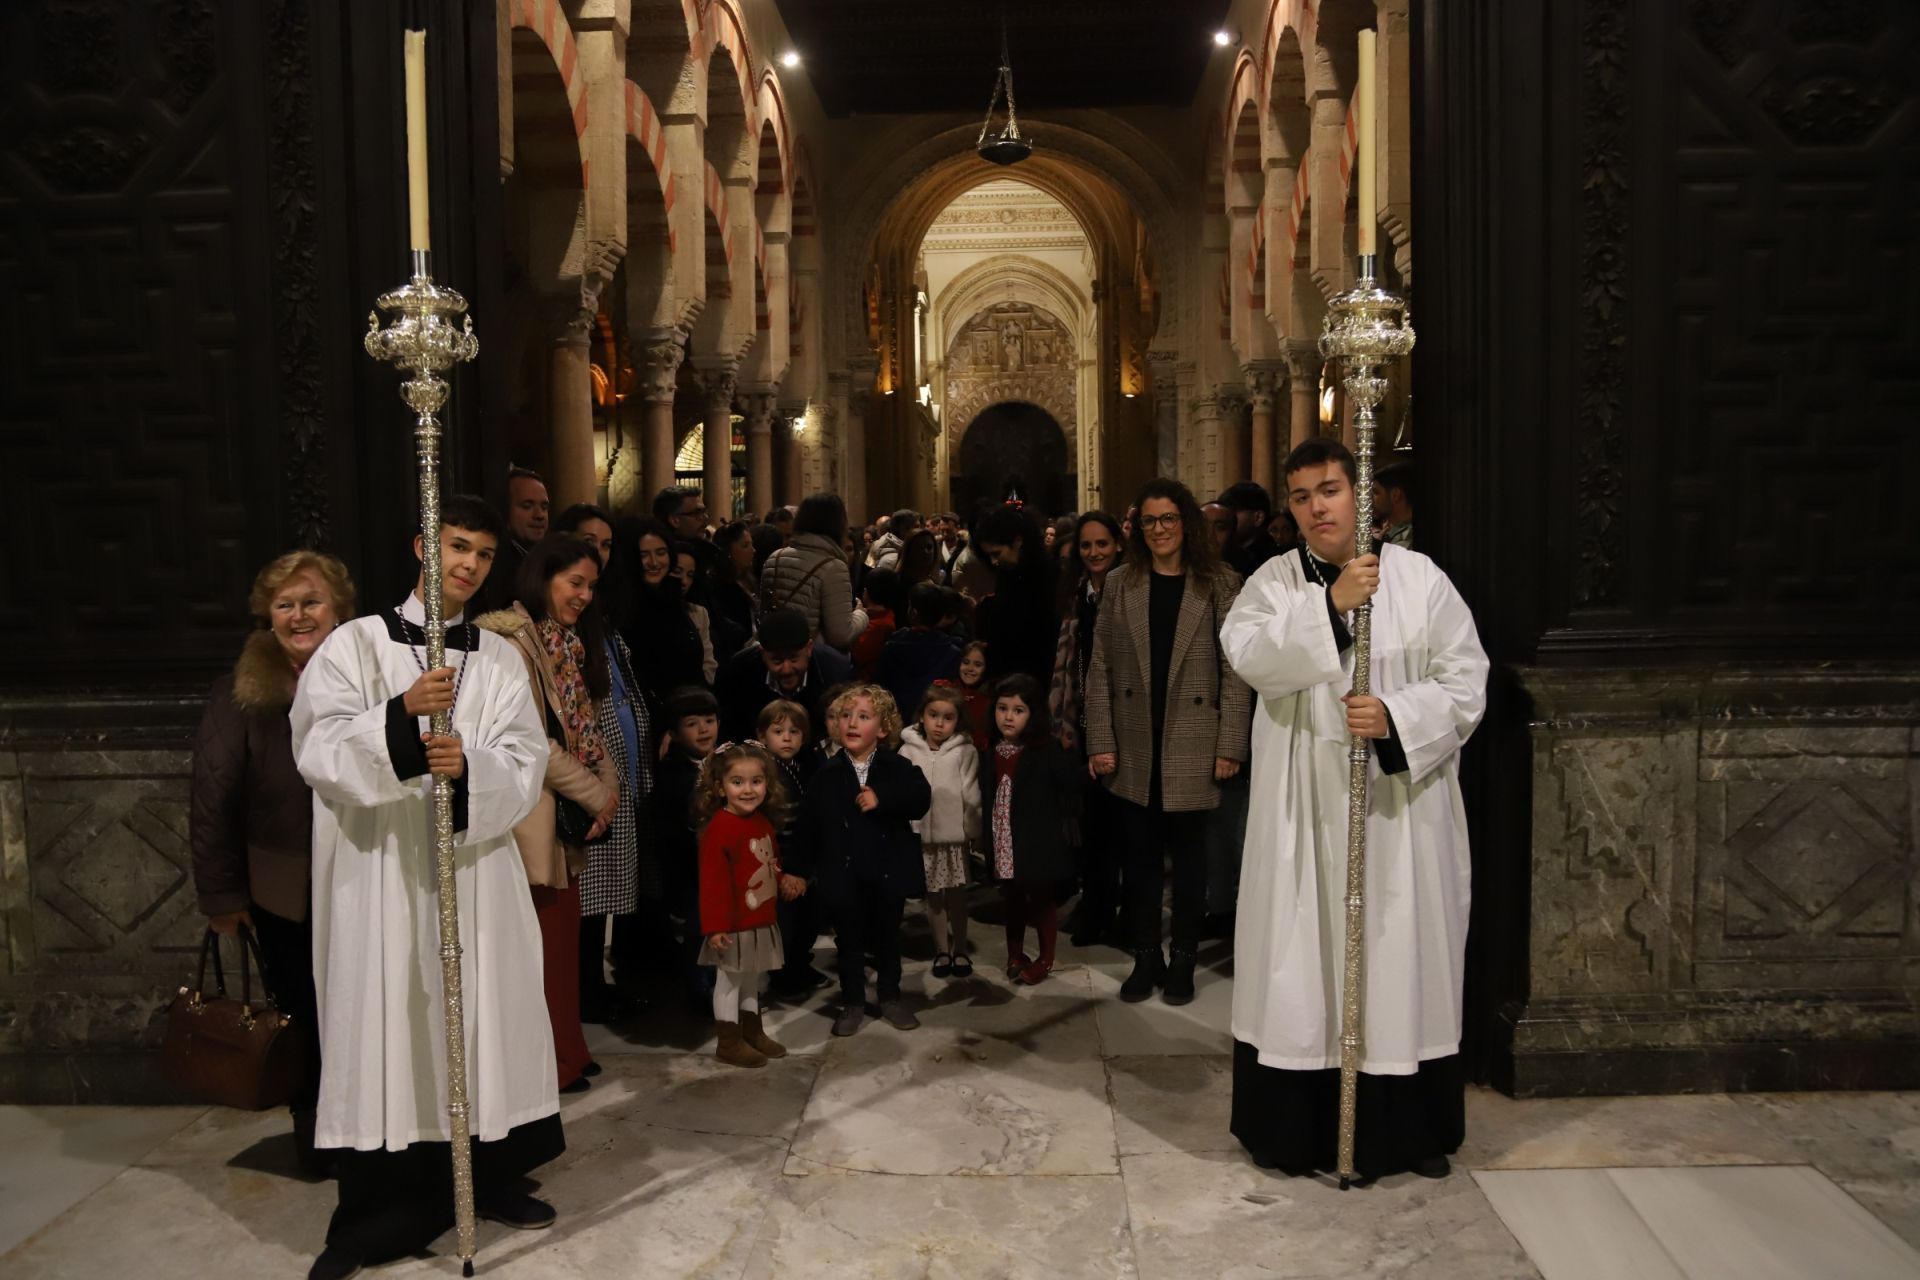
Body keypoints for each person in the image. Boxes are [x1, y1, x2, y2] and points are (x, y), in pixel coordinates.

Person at [291, 496, 557, 1279]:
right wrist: (402, 719)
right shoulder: (355, 645)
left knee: (484, 1023)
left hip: (475, 874)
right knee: (394, 1023)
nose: (469, 564)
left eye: (481, 553)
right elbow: (319, 747)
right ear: (422, 547)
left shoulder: (501, 657)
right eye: (456, 547)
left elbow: (526, 757)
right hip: (383, 878)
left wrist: (470, 766)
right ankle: (382, 1209)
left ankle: (491, 1175)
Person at [1221, 436, 1486, 1181]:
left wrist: (1399, 716)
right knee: (1303, 965)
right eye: (1301, 496)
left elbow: (1467, 680)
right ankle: (1295, 1133)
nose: (1315, 508)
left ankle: (1407, 1133)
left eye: (1329, 490)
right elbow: (1247, 653)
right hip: (1302, 819)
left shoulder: (1420, 580)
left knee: (1398, 958)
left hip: (1398, 817)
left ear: (1359, 495)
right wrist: (1330, 609)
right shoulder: (1273, 582)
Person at [192, 549, 355, 1176]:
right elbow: (211, 797)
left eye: (311, 601)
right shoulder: (240, 692)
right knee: (309, 1018)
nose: (298, 615)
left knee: (364, 1011)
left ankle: (375, 1136)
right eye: (284, 604)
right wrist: (223, 898)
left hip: (368, 874)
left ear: (340, 609)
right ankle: (317, 1138)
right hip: (288, 889)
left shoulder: (372, 679)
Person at [1085, 478, 1253, 1007]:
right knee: (1137, 859)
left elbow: (1236, 672)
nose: (1159, 530)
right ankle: (1144, 956)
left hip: (1194, 740)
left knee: (1189, 862)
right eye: (1150, 520)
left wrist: (1230, 744)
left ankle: (1182, 958)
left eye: (1169, 519)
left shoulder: (1221, 583)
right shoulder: (1120, 583)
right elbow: (1099, 669)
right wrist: (1100, 740)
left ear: (1186, 524)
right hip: (1135, 741)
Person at [477, 537, 620, 1096]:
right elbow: (531, 739)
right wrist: (594, 793)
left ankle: (567, 1053)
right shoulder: (510, 642)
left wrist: (606, 787)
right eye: (574, 583)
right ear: (543, 578)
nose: (584, 596)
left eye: (591, 586)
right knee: (540, 945)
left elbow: (582, 727)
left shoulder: (562, 642)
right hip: (530, 812)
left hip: (566, 812)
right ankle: (547, 1065)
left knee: (561, 943)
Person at [787, 685, 931, 1037]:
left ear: (882, 729)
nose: (852, 723)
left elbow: (920, 797)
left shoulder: (898, 768)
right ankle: (852, 1000)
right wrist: (798, 870)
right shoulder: (827, 774)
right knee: (849, 941)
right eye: (846, 716)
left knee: (887, 939)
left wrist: (883, 797)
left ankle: (890, 996)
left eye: (864, 717)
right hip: (844, 874)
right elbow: (808, 826)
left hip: (885, 872)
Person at [1048, 511, 1125, 948]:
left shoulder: (1129, 589)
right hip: (1080, 718)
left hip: (1122, 720)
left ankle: (1118, 908)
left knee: (1121, 826)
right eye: (1086, 546)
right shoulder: (1077, 593)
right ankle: (1095, 904)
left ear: (1117, 545)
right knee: (1092, 822)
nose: (1094, 553)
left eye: (1102, 544)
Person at [694, 741, 793, 1068]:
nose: (748, 790)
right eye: (738, 782)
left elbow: (771, 862)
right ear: (721, 788)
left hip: (759, 917)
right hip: (733, 924)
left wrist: (782, 879)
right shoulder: (720, 830)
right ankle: (728, 1041)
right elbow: (712, 885)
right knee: (730, 980)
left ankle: (753, 1031)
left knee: (752, 977)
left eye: (756, 781)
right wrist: (715, 927)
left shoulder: (761, 822)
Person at [983, 674, 1078, 986]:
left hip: (1034, 838)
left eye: (1018, 710)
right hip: (1002, 836)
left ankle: (1046, 958)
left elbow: (1068, 789)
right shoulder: (992, 748)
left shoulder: (1045, 749)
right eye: (1002, 708)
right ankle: (1015, 953)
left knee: (1040, 897)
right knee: (1010, 895)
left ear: (1033, 714)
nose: (1008, 716)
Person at [898, 683, 979, 980]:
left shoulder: (964, 751)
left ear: (958, 720)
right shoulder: (907, 750)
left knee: (957, 895)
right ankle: (941, 950)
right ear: (922, 716)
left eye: (948, 717)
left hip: (953, 838)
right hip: (923, 839)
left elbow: (971, 791)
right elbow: (904, 794)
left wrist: (972, 829)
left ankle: (961, 950)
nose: (940, 724)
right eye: (934, 715)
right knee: (933, 896)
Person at [651, 684, 721, 1008]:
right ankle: (699, 990)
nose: (704, 729)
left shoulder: (725, 764)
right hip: (690, 868)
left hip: (721, 866)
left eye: (709, 720)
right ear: (675, 734)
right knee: (697, 928)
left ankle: (724, 982)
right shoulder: (671, 775)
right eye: (692, 723)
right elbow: (671, 828)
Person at [758, 700, 829, 997]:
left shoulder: (806, 766)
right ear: (762, 736)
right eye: (778, 731)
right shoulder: (764, 773)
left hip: (805, 863)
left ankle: (799, 964)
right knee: (784, 927)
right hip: (780, 866)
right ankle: (783, 975)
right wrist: (785, 872)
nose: (787, 737)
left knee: (808, 922)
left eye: (794, 731)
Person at [716, 605, 854, 744]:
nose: (786, 669)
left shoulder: (836, 672)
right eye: (777, 661)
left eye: (794, 659)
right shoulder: (739, 671)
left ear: (809, 649)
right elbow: (730, 729)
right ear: (762, 653)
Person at [758, 491, 868, 651]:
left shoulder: (774, 558)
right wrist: (861, 615)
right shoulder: (834, 567)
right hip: (811, 657)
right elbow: (840, 635)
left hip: (774, 651)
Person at [617, 517, 709, 707]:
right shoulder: (625, 608)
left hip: (692, 711)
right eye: (644, 555)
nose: (654, 562)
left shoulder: (673, 598)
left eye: (661, 553)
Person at [970, 504, 1059, 682]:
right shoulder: (1008, 573)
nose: (993, 562)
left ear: (1017, 541)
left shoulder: (1047, 576)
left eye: (997, 553)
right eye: (988, 556)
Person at [876, 581, 963, 717]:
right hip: (932, 724)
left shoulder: (892, 646)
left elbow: (880, 690)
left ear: (913, 612)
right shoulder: (953, 653)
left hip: (893, 721)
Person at [474, 466, 549, 614]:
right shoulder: (495, 564)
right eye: (527, 506)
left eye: (544, 507)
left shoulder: (547, 559)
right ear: (505, 510)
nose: (539, 515)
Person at [671, 542, 721, 684]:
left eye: (690, 575)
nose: (684, 581)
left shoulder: (699, 613)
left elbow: (709, 664)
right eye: (677, 572)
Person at [709, 520, 758, 661]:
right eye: (745, 545)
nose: (753, 550)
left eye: (752, 544)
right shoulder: (721, 587)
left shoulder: (748, 579)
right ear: (728, 551)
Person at [1219, 481, 1283, 579]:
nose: (1226, 518)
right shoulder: (1226, 550)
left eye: (1232, 511)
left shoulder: (1269, 561)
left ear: (1258, 517)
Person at [851, 566, 902, 679]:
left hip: (862, 680)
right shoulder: (888, 616)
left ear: (866, 592)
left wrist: (857, 615)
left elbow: (857, 655)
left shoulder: (878, 625)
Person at [956, 640, 992, 750]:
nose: (970, 668)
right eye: (966, 662)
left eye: (978, 665)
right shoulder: (949, 691)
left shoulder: (991, 697)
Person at [1373, 459, 1414, 548]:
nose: (1370, 499)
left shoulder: (1406, 539)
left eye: (1375, 492)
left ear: (1395, 495)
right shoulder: (1391, 533)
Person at [931, 511, 967, 584]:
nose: (945, 533)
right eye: (942, 530)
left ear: (957, 528)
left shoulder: (964, 546)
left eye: (948, 531)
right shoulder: (935, 545)